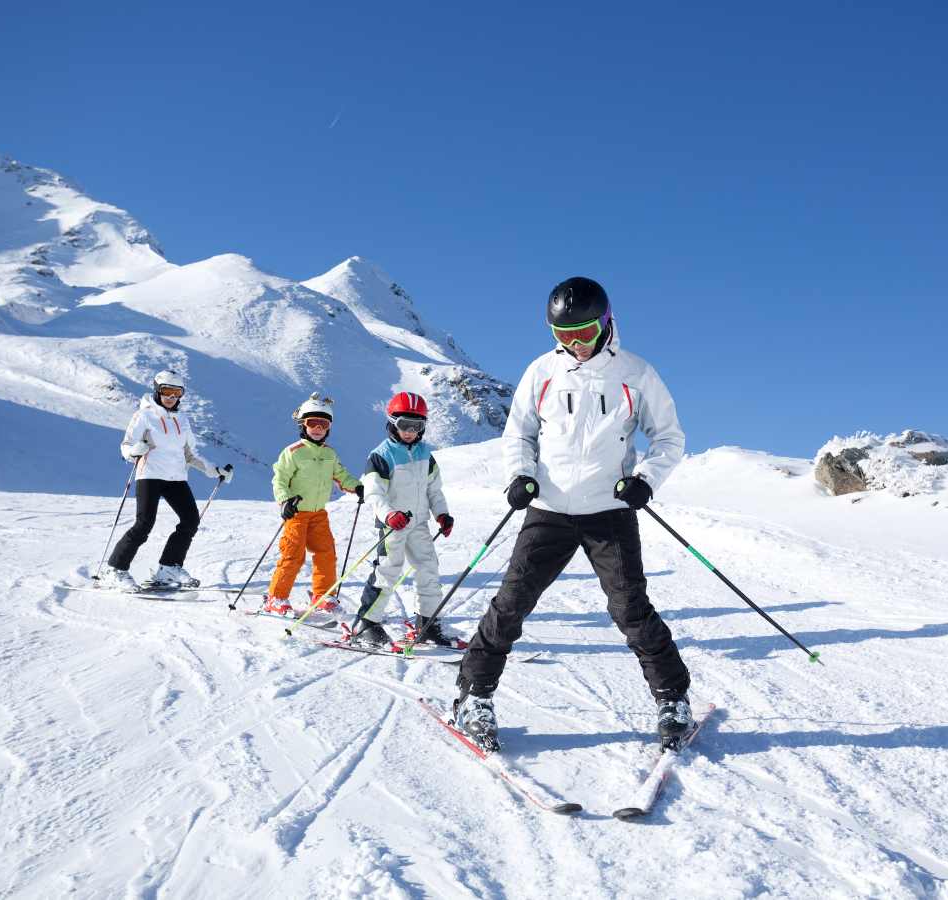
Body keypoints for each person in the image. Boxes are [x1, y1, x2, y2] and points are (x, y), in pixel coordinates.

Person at [453, 277, 691, 751]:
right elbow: (518, 433)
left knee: (630, 609)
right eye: (563, 336)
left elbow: (669, 438)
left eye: (583, 333)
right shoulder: (542, 372)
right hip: (549, 509)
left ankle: (673, 697)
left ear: (604, 324)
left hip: (609, 510)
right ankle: (473, 695)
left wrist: (645, 480)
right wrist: (520, 475)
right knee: (512, 603)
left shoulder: (636, 374)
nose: (575, 345)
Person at [103, 370, 233, 591]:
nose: (171, 397)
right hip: (150, 475)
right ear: (157, 390)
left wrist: (215, 470)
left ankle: (169, 567)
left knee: (191, 520)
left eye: (177, 392)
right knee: (144, 524)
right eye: (166, 392)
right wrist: (135, 450)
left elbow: (190, 454)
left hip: (176, 477)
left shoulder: (182, 420)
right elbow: (126, 446)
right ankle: (115, 570)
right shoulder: (144, 416)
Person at [349, 391, 458, 648]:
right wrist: (389, 514)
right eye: (404, 425)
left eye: (416, 426)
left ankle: (427, 623)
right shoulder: (381, 455)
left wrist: (441, 514)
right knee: (388, 570)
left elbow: (434, 489)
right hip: (393, 525)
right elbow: (374, 492)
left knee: (429, 569)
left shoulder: (425, 454)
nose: (410, 432)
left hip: (419, 523)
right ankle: (366, 622)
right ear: (391, 422)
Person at [264, 392, 363, 615]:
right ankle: (276, 598)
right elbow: (279, 479)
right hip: (296, 513)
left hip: (319, 514)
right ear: (303, 424)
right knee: (293, 555)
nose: (317, 428)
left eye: (323, 423)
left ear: (329, 428)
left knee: (326, 553)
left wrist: (356, 486)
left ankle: (322, 595)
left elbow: (341, 475)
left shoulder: (330, 454)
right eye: (312, 423)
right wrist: (285, 501)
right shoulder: (293, 452)